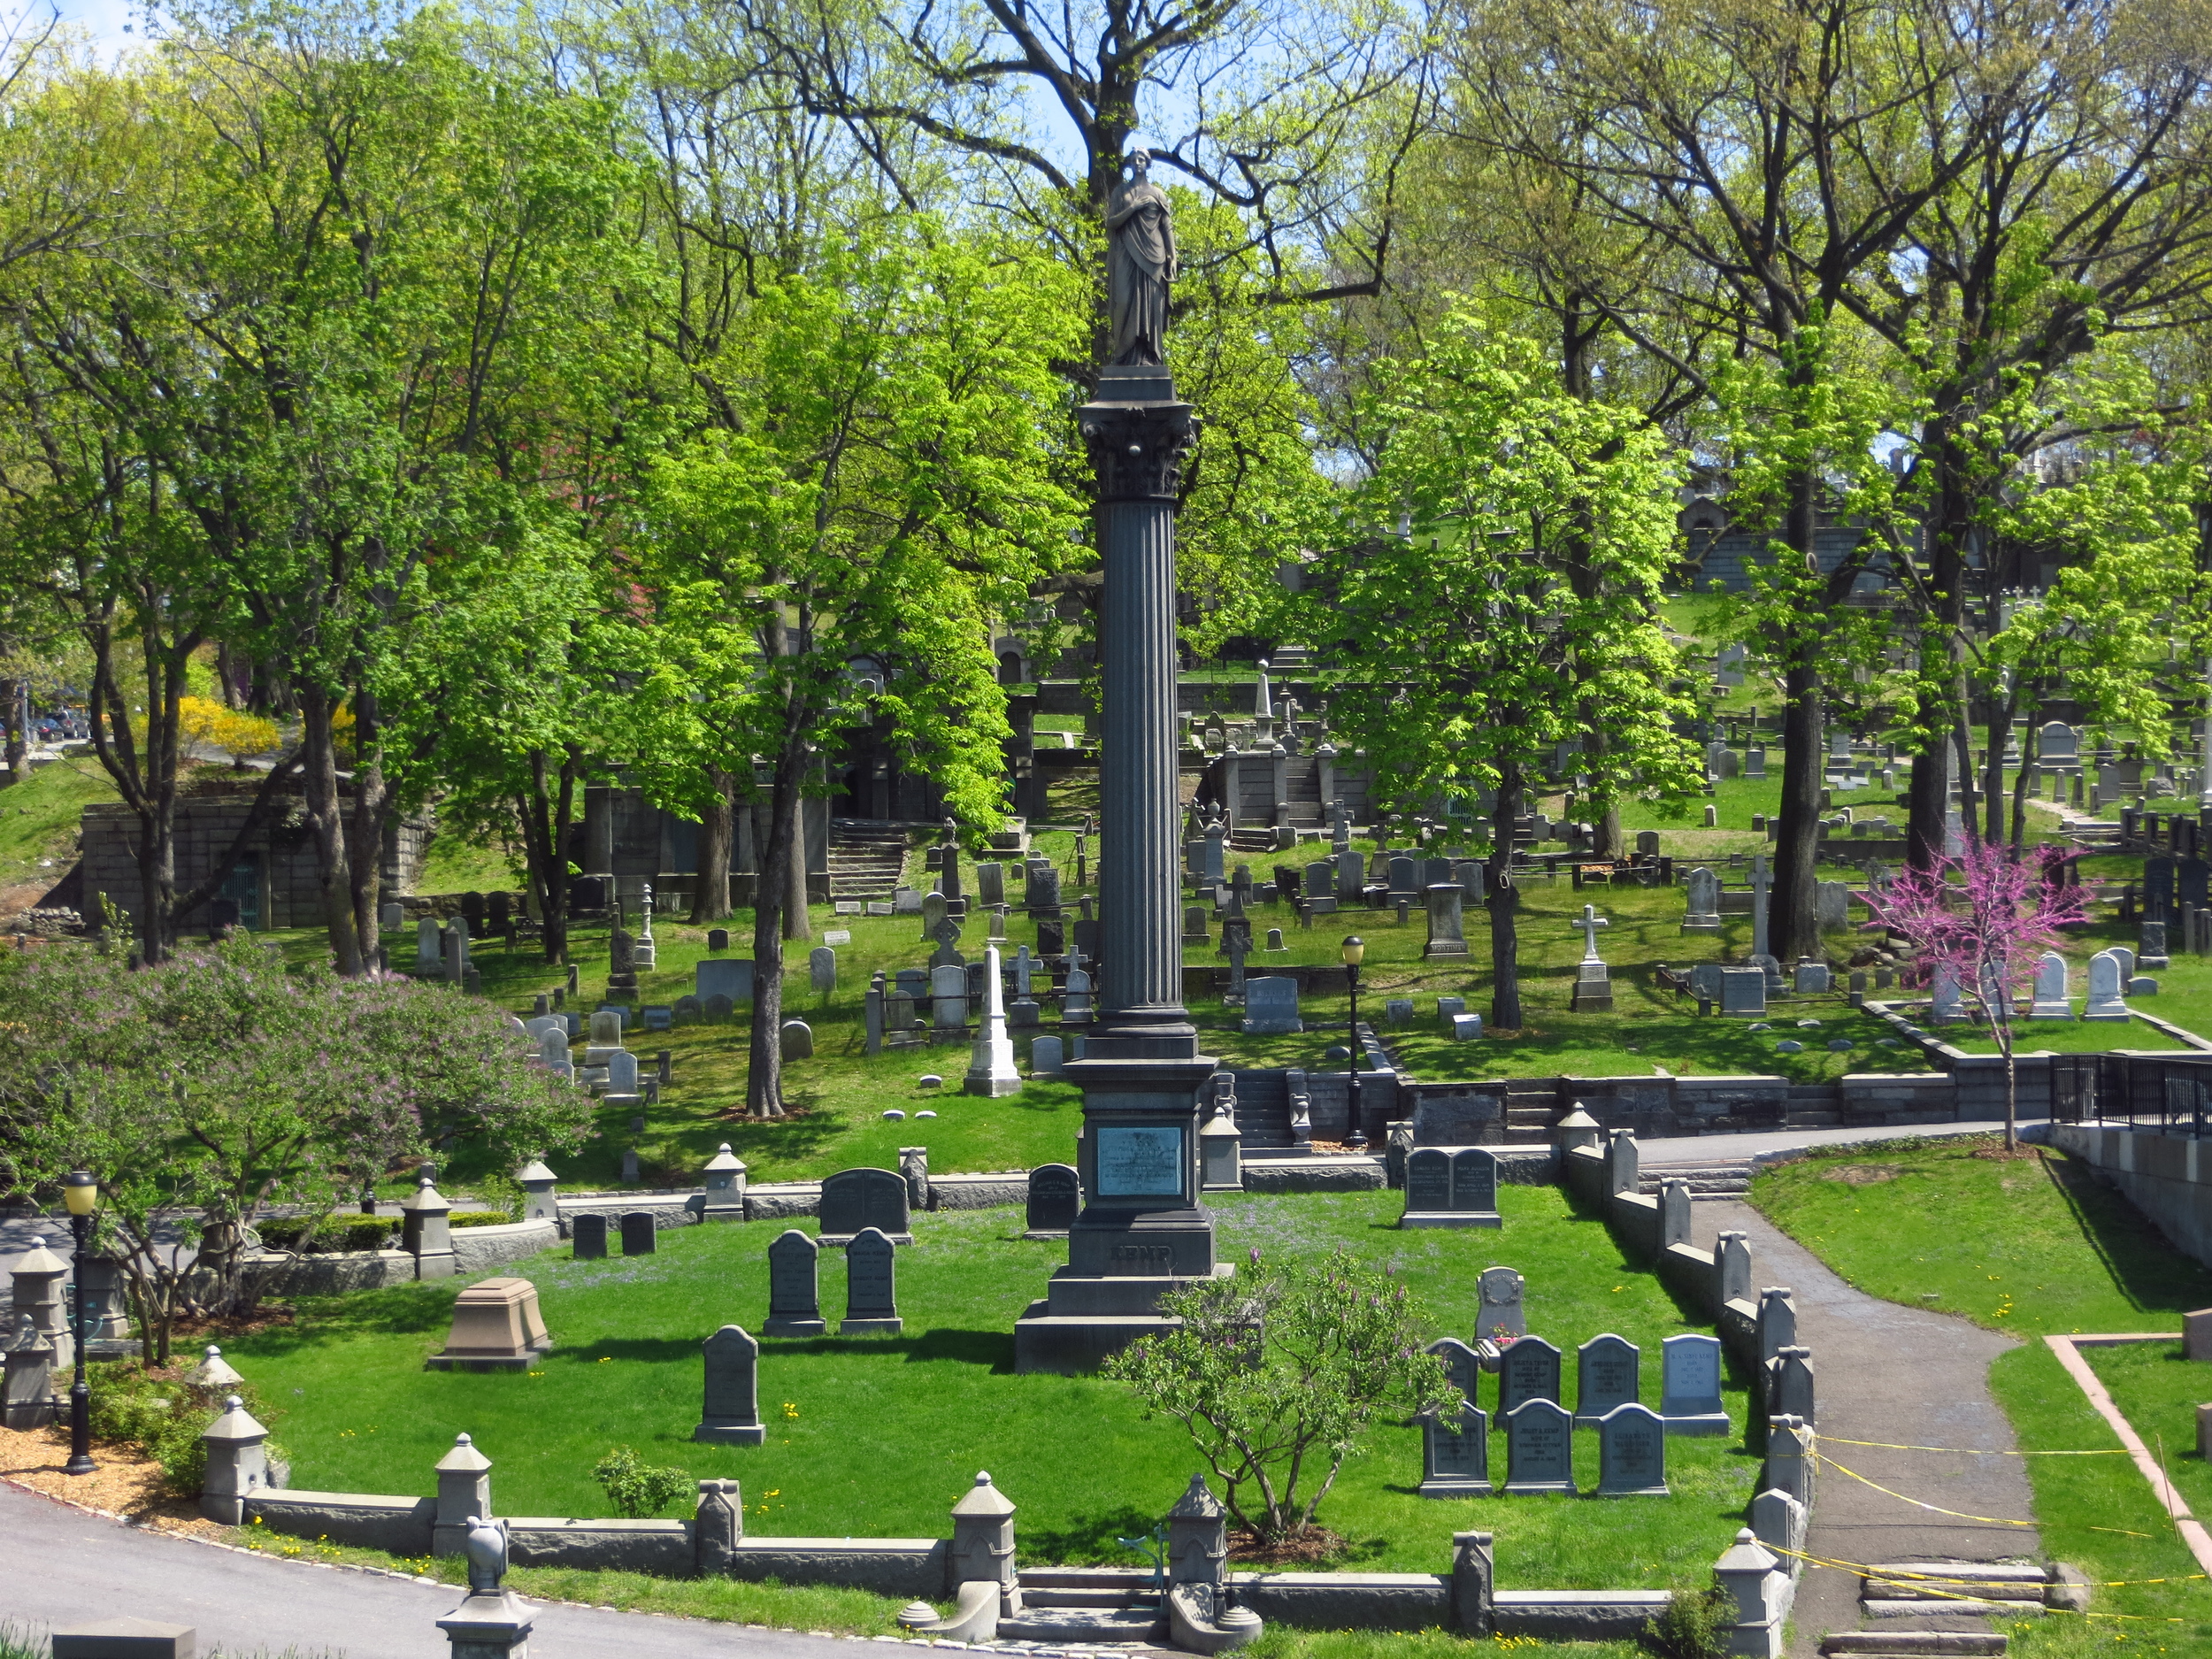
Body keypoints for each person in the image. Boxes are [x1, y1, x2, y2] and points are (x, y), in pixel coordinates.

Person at [1106, 150, 1177, 367]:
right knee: (1124, 302)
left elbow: (1167, 226)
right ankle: (1124, 356)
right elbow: (1111, 223)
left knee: (1152, 306)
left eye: (1141, 160)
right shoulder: (1121, 192)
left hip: (1155, 256)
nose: (1137, 163)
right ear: (1129, 164)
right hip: (1125, 253)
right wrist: (1133, 207)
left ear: (1148, 164)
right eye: (1134, 160)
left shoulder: (1158, 193)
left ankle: (1150, 356)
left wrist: (1173, 256)